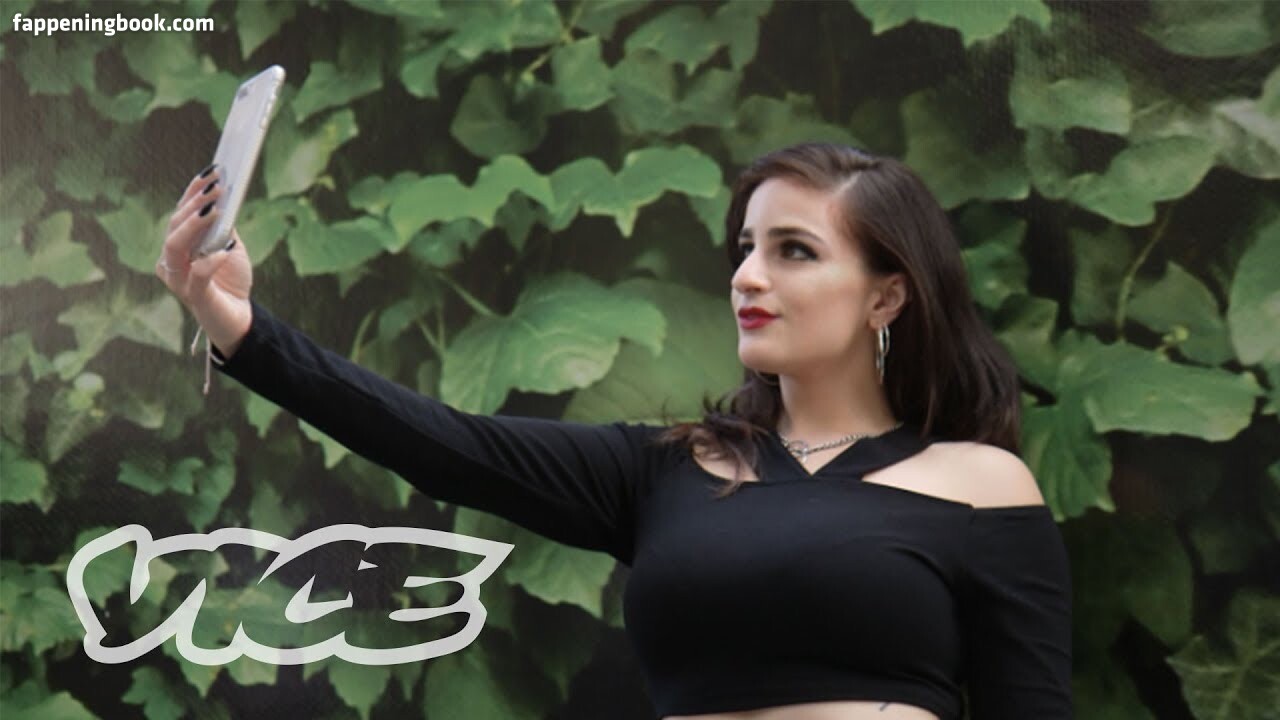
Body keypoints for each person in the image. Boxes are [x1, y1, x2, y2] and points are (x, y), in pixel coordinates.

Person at [156, 143, 1072, 720]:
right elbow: (442, 444)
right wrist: (239, 324)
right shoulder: (666, 469)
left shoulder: (979, 486)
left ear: (887, 296)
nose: (748, 276)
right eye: (745, 249)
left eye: (793, 250)